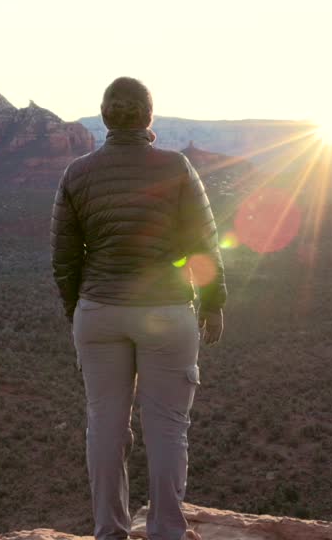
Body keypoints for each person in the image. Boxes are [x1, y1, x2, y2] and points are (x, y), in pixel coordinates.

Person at [51, 77, 227, 540]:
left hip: (98, 311)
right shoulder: (177, 167)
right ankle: (167, 531)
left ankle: (110, 531)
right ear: (149, 116)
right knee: (168, 427)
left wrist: (78, 308)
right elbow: (202, 243)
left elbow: (64, 257)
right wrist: (213, 303)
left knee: (105, 426)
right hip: (167, 311)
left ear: (106, 116)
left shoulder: (76, 173)